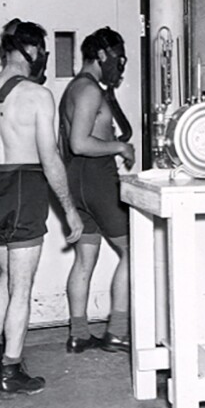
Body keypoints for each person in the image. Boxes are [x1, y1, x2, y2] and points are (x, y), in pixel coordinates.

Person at [0, 19, 84, 398]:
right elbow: (50, 159)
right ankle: (10, 370)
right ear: (33, 51)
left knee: (3, 277)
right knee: (22, 286)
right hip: (24, 187)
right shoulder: (37, 96)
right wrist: (68, 208)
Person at [58, 27, 133, 354]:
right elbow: (79, 142)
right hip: (97, 179)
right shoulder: (88, 90)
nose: (119, 65)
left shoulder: (75, 89)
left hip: (77, 180)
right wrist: (120, 146)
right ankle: (116, 332)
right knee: (135, 251)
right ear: (102, 55)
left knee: (84, 260)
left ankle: (78, 334)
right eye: (117, 57)